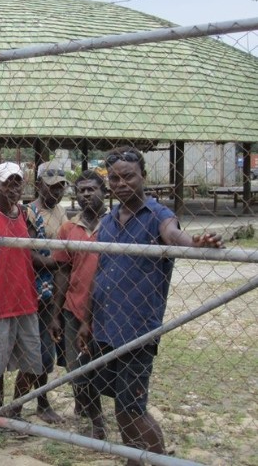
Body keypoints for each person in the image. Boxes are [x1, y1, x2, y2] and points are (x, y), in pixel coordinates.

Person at [78, 146, 223, 464]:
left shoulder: (158, 215)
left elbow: (173, 235)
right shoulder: (109, 221)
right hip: (105, 325)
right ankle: (134, 459)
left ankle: (158, 459)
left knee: (133, 408)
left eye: (128, 177)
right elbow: (99, 274)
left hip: (137, 330)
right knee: (121, 406)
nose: (121, 184)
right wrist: (87, 321)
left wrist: (193, 243)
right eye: (114, 179)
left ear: (143, 176)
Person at [49, 170, 108, 439]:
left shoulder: (114, 226)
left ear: (104, 192)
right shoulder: (68, 228)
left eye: (91, 189)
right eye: (81, 190)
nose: (86, 194)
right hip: (75, 308)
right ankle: (95, 417)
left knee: (101, 367)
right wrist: (56, 314)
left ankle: (95, 411)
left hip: (107, 311)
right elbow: (62, 271)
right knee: (76, 367)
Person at [0, 162, 46, 422]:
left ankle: (15, 409)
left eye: (18, 182)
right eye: (7, 182)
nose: (13, 187)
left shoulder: (24, 214)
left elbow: (31, 252)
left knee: (33, 361)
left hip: (25, 299)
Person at [18, 160, 68, 423]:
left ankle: (40, 401)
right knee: (34, 350)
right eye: (51, 186)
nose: (56, 191)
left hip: (56, 291)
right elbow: (29, 254)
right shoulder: (29, 212)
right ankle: (24, 403)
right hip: (36, 290)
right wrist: (58, 262)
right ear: (39, 185)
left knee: (47, 349)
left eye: (60, 186)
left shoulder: (60, 211)